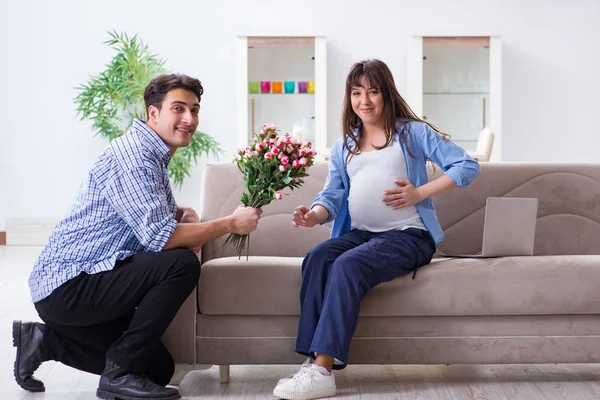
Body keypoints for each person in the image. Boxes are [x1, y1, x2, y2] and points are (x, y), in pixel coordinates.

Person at [13, 74, 262, 400]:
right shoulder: (135, 157)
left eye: (195, 109)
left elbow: (145, 215)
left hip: (89, 281)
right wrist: (230, 223)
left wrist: (181, 211)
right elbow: (161, 237)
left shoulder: (152, 153)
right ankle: (119, 374)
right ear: (153, 113)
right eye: (179, 108)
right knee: (181, 263)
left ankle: (44, 341)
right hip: (69, 286)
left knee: (158, 369)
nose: (189, 119)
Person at [272, 59, 481, 400]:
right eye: (357, 92)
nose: (364, 100)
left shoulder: (412, 133)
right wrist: (314, 215)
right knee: (318, 257)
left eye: (373, 91)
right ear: (349, 97)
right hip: (361, 233)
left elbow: (467, 166)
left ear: (386, 94)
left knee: (348, 265)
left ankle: (323, 369)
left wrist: (419, 192)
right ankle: (313, 362)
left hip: (409, 236)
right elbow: (333, 195)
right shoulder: (344, 145)